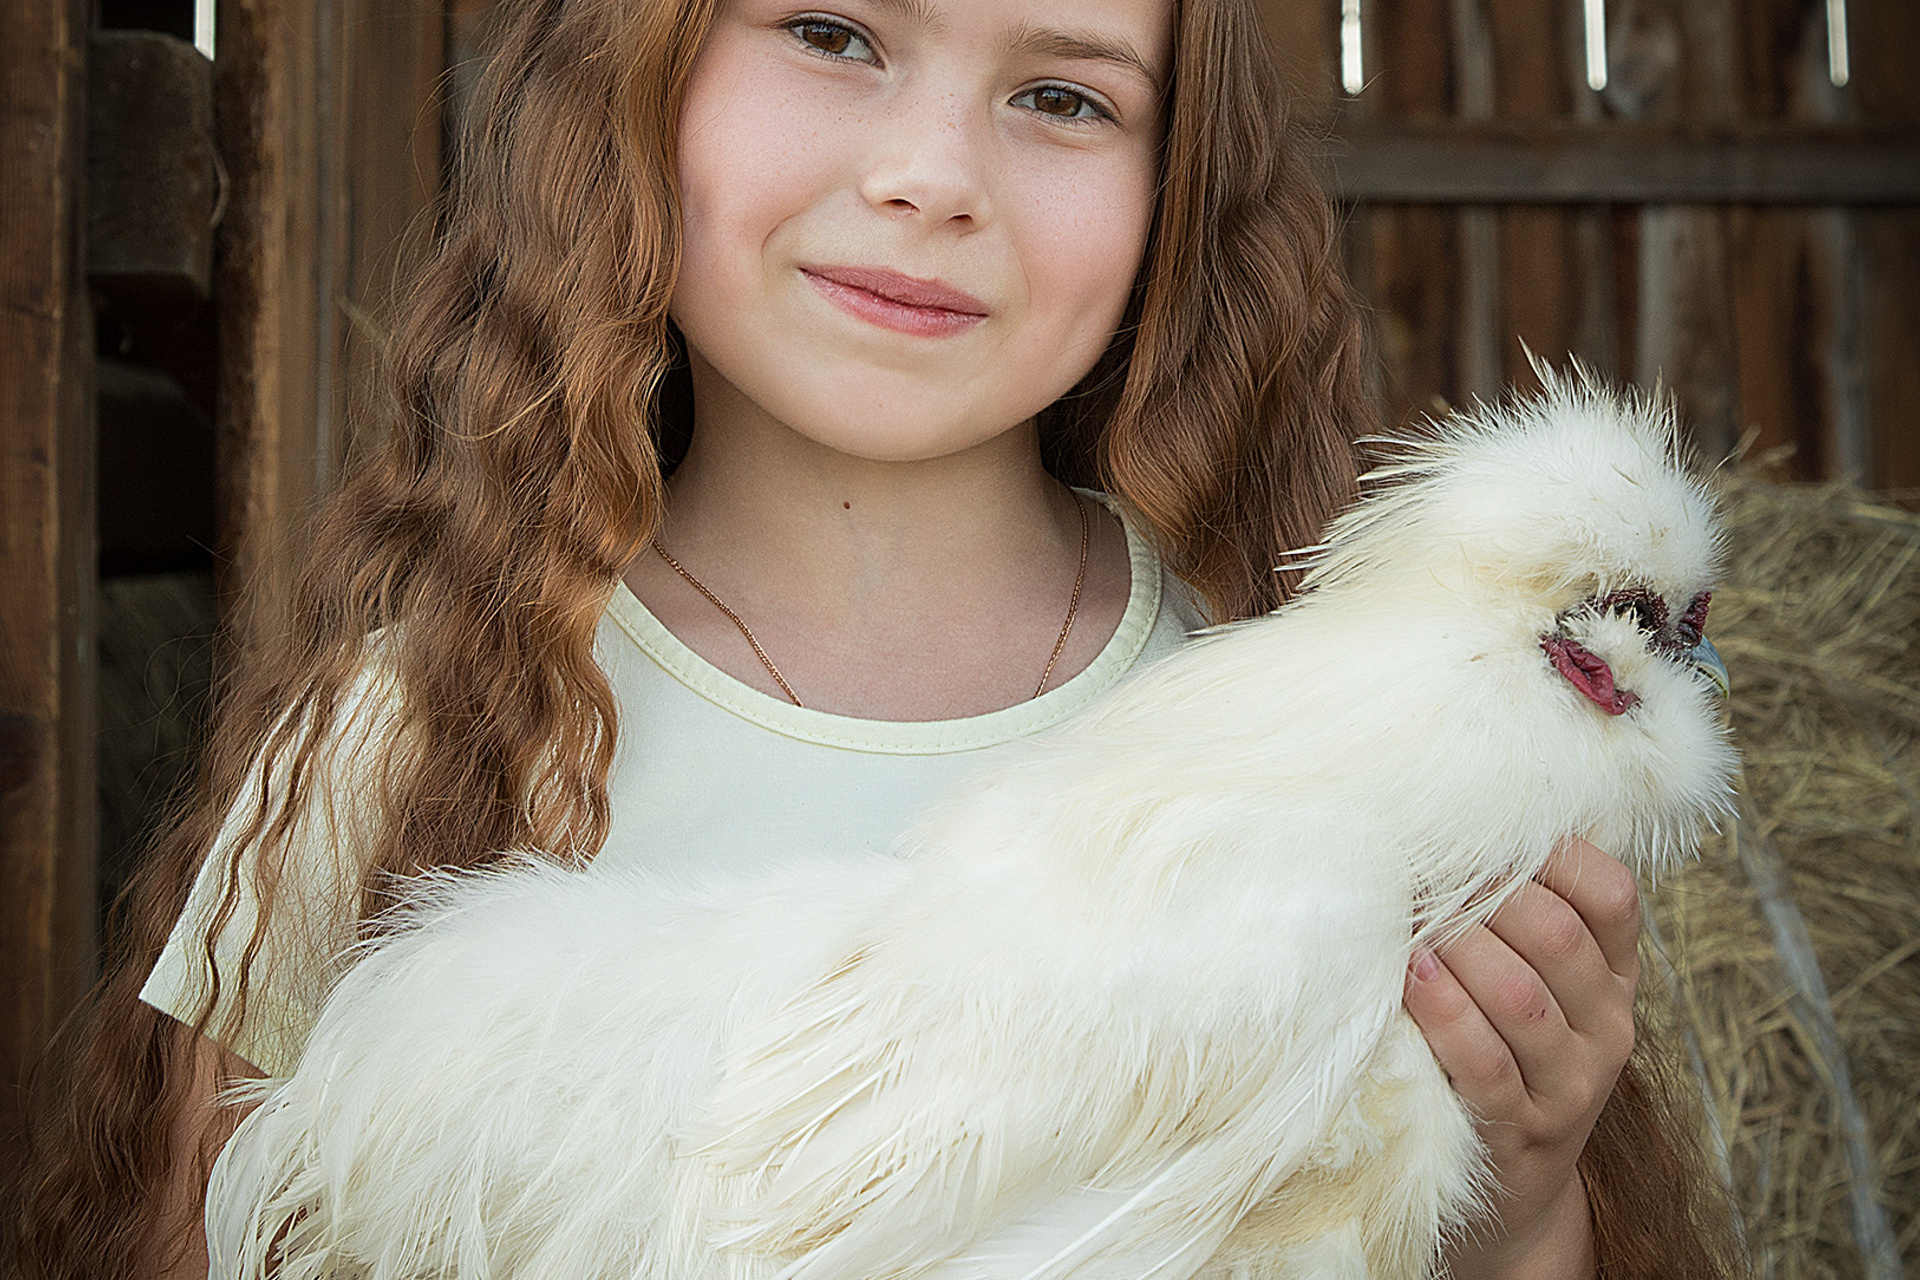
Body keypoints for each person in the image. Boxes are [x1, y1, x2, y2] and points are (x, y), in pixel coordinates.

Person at [11, 0, 1741, 1276]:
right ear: (648, 72)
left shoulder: (1301, 739)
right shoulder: (423, 731)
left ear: (1175, 196)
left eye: (1062, 96)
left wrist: (1518, 1206)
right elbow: (198, 1232)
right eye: (835, 34)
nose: (931, 178)